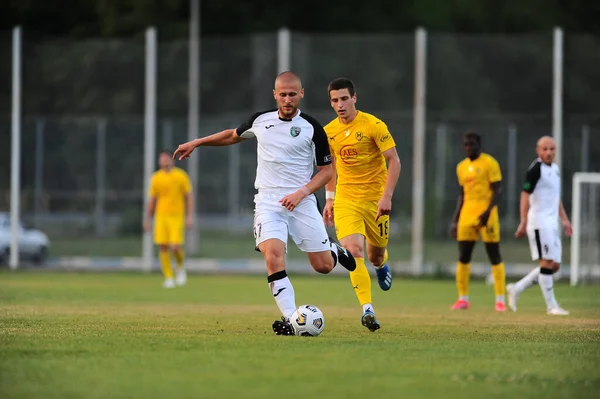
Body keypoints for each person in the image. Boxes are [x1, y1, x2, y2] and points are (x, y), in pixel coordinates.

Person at [172, 71, 356, 335]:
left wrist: (301, 193)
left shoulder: (313, 128)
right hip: (268, 202)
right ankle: (292, 318)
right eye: (283, 94)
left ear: (301, 94)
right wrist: (197, 143)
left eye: (293, 94)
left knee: (323, 266)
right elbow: (232, 135)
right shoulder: (261, 120)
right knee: (273, 256)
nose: (288, 99)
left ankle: (334, 251)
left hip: (301, 202)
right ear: (275, 95)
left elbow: (327, 172)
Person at [322, 78, 401, 332]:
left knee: (374, 255)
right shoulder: (329, 132)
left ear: (354, 98)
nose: (340, 104)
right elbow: (330, 167)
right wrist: (330, 199)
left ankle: (381, 263)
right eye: (335, 100)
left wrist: (387, 196)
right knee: (354, 251)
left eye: (344, 99)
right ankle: (367, 309)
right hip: (346, 200)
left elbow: (394, 161)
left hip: (375, 201)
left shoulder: (373, 125)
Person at [508, 136, 572, 315]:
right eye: (545, 149)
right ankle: (552, 306)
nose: (548, 152)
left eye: (551, 149)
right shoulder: (535, 170)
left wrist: (565, 220)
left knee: (554, 266)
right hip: (539, 221)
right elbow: (524, 195)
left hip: (552, 223)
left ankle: (517, 288)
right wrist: (523, 220)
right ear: (538, 151)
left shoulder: (556, 169)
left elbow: (555, 197)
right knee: (546, 262)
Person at [450, 132, 506, 312]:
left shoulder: (490, 163)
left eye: (471, 144)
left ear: (479, 145)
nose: (468, 148)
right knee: (463, 257)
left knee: (494, 256)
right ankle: (463, 298)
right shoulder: (461, 167)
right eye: (465, 145)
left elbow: (498, 191)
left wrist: (488, 212)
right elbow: (462, 194)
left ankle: (500, 300)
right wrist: (455, 220)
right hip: (467, 214)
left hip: (487, 214)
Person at [144, 151, 194, 288]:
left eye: (167, 158)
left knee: (175, 246)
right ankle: (169, 277)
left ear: (172, 160)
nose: (165, 161)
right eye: (162, 159)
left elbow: (189, 197)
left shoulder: (181, 175)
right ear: (159, 161)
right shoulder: (156, 178)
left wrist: (189, 216)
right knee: (163, 246)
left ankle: (180, 266)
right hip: (161, 216)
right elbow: (152, 200)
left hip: (177, 216)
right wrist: (148, 220)